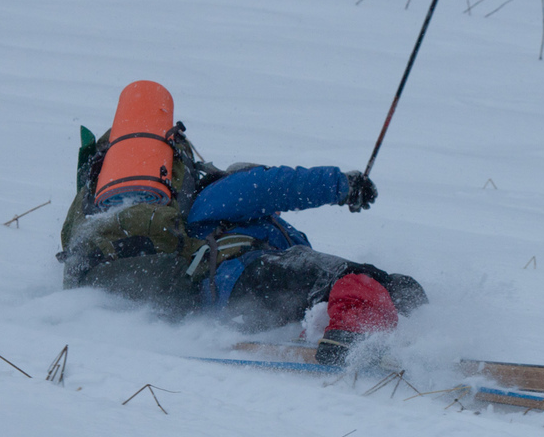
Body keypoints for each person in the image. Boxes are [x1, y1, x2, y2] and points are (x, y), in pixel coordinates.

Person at [59, 81, 424, 363]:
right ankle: (353, 338)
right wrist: (341, 185)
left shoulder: (249, 225)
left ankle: (408, 326)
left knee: (368, 279)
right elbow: (275, 186)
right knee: (343, 276)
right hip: (239, 279)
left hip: (241, 300)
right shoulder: (220, 195)